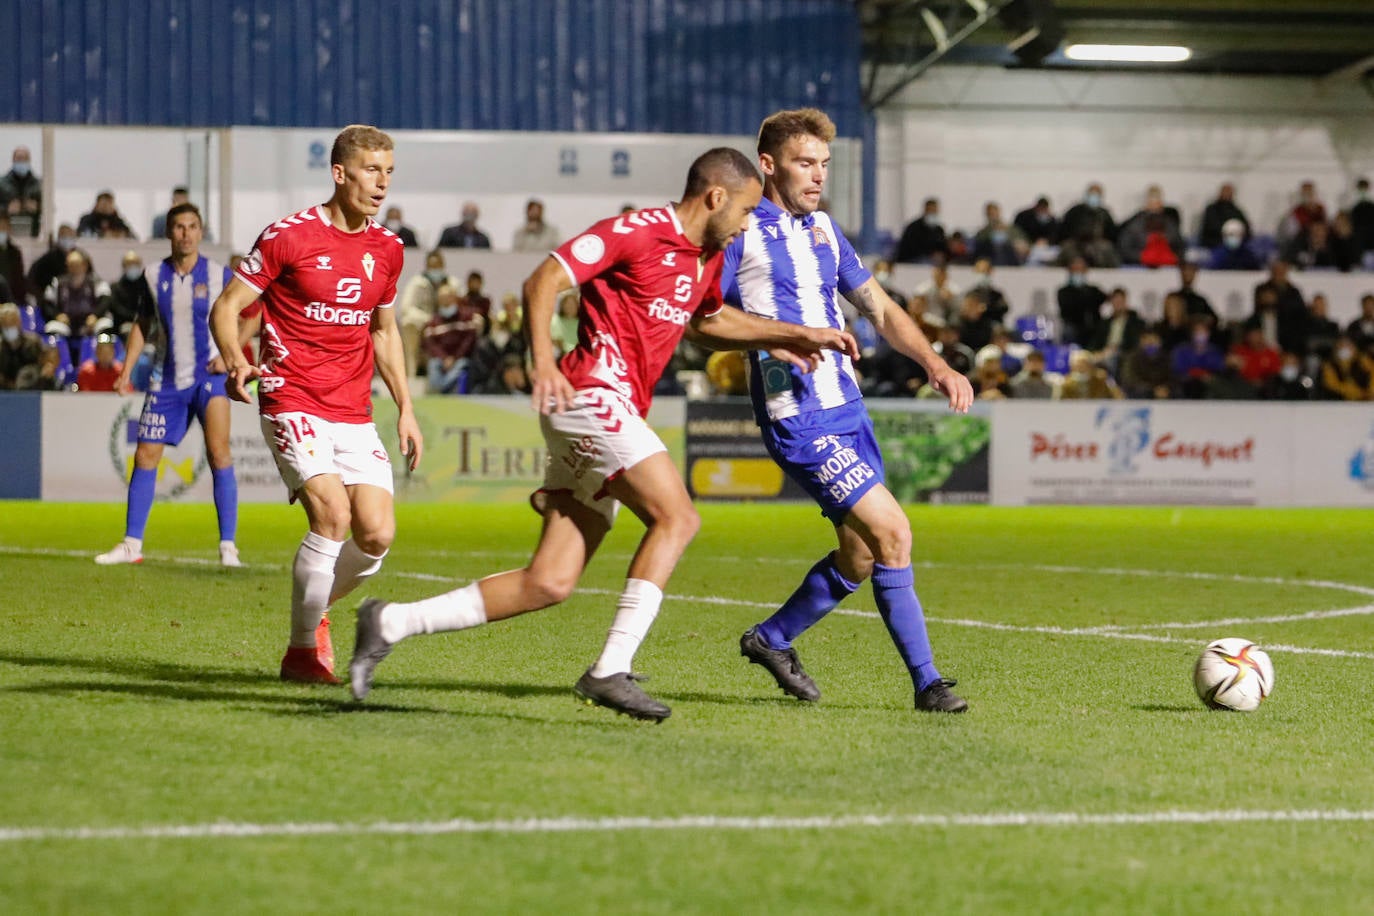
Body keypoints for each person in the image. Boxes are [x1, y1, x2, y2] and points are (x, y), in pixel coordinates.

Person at [348, 146, 857, 720]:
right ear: (715, 197)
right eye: (743, 211)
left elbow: (708, 322)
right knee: (678, 517)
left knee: (550, 581)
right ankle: (610, 670)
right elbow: (544, 279)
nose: (746, 224)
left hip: (609, 409)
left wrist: (786, 335)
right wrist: (541, 358)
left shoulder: (708, 257)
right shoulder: (635, 232)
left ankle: (389, 621)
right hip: (589, 393)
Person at [718, 108, 973, 714]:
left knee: (860, 554)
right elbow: (704, 319)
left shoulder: (826, 232)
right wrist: (779, 338)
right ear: (769, 164)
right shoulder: (739, 232)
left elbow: (881, 310)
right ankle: (929, 685)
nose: (817, 176)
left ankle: (772, 639)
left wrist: (935, 365)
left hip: (848, 409)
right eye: (806, 163)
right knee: (893, 532)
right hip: (797, 415)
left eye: (824, 165)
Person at [208, 124, 421, 684]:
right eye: (372, 170)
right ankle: (301, 653)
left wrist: (407, 408)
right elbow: (227, 308)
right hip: (291, 396)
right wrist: (235, 359)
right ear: (340, 173)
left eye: (389, 172)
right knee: (332, 516)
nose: (382, 184)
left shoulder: (389, 249)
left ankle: (316, 610)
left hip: (352, 408)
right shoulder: (288, 236)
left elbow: (384, 332)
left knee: (375, 535)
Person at [94, 202, 241, 568]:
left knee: (219, 453)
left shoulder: (220, 274)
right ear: (169, 233)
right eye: (179, 227)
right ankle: (131, 544)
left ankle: (228, 547)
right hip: (167, 379)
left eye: (192, 226)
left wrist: (231, 356)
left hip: (210, 378)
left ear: (201, 231)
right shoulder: (152, 274)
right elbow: (143, 324)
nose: (186, 233)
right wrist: (126, 369)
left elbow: (248, 315)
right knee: (145, 455)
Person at [421, 282, 483, 394]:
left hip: (460, 359)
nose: (445, 300)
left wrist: (455, 358)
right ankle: (440, 391)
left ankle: (441, 391)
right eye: (442, 298)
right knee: (433, 365)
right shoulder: (433, 321)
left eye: (448, 297)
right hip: (440, 359)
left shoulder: (467, 316)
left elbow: (468, 341)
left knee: (461, 367)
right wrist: (444, 358)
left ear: (455, 297)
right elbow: (430, 344)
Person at [398, 250, 452, 379]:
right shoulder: (417, 283)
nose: (435, 269)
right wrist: (429, 320)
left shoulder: (452, 283)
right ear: (427, 266)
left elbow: (461, 307)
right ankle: (411, 374)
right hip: (425, 323)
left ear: (443, 265)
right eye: (432, 266)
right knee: (408, 322)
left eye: (438, 265)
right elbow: (406, 308)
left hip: (448, 324)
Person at [0, 302, 50, 389]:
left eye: (11, 321)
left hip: (32, 390)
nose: (8, 325)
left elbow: (46, 364)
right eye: (4, 322)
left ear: (19, 321)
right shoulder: (1, 347)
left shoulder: (33, 342)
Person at [107, 250, 154, 336]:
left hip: (144, 322)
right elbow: (116, 309)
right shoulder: (115, 287)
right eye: (129, 264)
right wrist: (135, 318)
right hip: (123, 325)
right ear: (124, 267)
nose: (132, 267)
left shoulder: (146, 287)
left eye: (135, 264)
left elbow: (150, 308)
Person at [0, 146, 42, 238]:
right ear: (13, 160)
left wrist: (38, 207)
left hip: (33, 236)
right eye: (19, 158)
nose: (22, 161)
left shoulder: (39, 185)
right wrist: (6, 209)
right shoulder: (2, 184)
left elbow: (49, 209)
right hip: (6, 234)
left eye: (25, 158)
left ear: (29, 160)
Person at [893, 197, 945, 264]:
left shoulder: (939, 229)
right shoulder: (913, 228)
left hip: (933, 260)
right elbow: (909, 248)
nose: (932, 213)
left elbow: (942, 246)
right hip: (912, 259)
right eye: (930, 210)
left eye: (934, 211)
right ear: (925, 210)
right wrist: (930, 254)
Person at [1198, 182, 1250, 249]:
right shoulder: (1212, 209)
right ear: (1220, 193)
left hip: (1235, 244)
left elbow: (1245, 226)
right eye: (1226, 191)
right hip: (1215, 242)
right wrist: (1228, 231)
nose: (1227, 194)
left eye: (1230, 192)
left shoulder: (1236, 210)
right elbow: (1212, 227)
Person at [0, 213, 27, 307]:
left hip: (12, 304)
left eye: (3, 227)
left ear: (9, 229)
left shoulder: (15, 253)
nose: (1, 231)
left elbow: (19, 282)